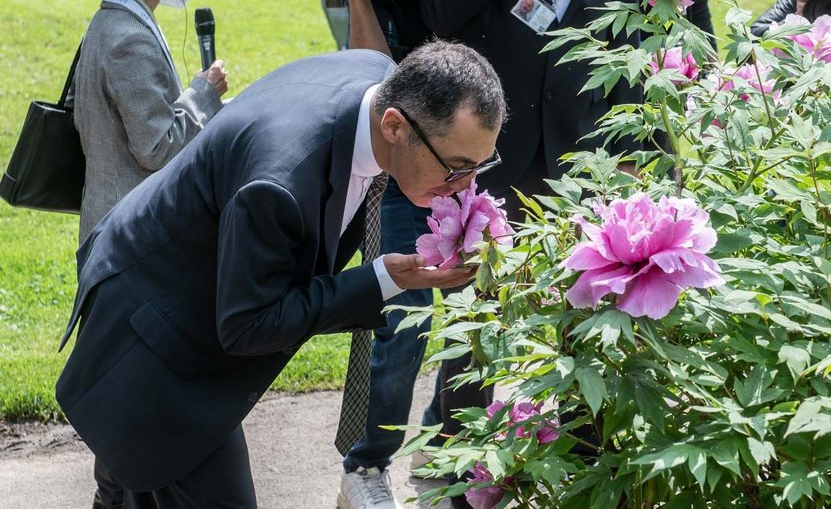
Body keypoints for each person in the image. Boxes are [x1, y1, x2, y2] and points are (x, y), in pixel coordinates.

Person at [56, 41, 505, 508]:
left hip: (171, 288)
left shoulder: (380, 82)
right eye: (457, 167)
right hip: (151, 337)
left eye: (480, 165)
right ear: (394, 125)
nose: (467, 186)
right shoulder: (278, 184)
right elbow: (249, 324)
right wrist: (382, 280)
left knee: (125, 490)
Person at [417, 0, 639, 489]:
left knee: (588, 314)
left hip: (584, 146)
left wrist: (626, 147)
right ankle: (458, 465)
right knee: (476, 314)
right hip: (487, 144)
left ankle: (584, 464)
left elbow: (623, 18)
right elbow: (439, 6)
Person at [319, 0, 479, 507]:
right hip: (402, 161)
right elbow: (371, 71)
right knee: (399, 320)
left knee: (476, 320)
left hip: (475, 161)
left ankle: (453, 451)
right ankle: (369, 463)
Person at [72, 0, 228, 509]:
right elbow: (159, 147)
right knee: (131, 390)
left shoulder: (122, 18)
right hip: (125, 244)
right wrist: (204, 97)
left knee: (128, 392)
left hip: (114, 233)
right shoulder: (128, 35)